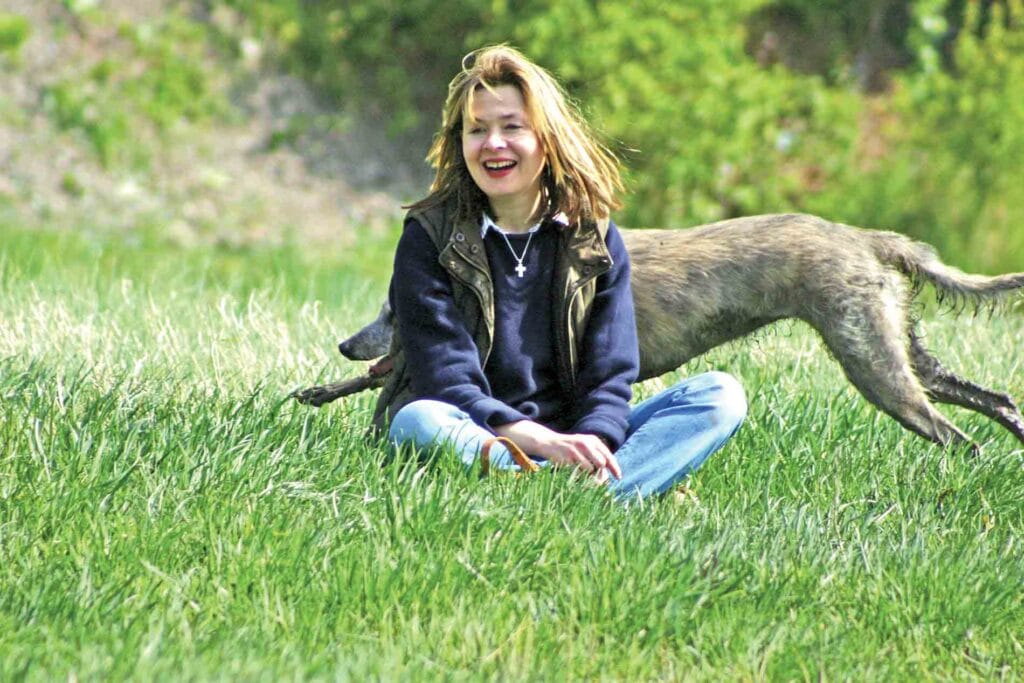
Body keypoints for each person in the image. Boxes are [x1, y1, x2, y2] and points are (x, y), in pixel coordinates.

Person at [374, 45, 746, 500]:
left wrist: (594, 443)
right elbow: (446, 380)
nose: (493, 144)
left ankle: (576, 491)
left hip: (572, 438)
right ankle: (583, 493)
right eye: (477, 130)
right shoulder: (429, 238)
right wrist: (538, 441)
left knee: (719, 396)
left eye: (512, 127)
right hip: (476, 431)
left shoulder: (593, 238)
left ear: (546, 139)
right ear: (460, 143)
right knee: (417, 421)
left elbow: (610, 374)